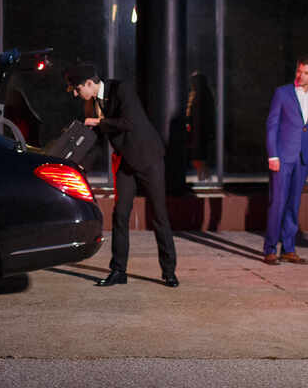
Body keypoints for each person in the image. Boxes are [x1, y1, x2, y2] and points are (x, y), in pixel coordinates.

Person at [65, 63, 179, 288]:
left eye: (78, 89)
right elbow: (96, 140)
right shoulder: (93, 103)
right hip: (125, 162)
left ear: (89, 83)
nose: (77, 95)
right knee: (120, 215)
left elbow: (130, 122)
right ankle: (118, 271)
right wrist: (77, 163)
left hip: (148, 159)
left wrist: (99, 122)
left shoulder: (122, 89)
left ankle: (169, 272)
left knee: (159, 216)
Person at [262, 56, 308, 265]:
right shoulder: (282, 93)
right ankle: (270, 249)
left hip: (304, 157)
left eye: (306, 73)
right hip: (282, 157)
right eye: (299, 71)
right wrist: (272, 154)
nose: (301, 75)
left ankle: (289, 249)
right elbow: (271, 125)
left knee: (294, 204)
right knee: (278, 203)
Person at [186, 71, 216, 183]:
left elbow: (206, 115)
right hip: (194, 131)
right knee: (198, 157)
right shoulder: (194, 94)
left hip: (200, 131)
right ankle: (204, 177)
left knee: (199, 156)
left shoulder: (203, 95)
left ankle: (203, 177)